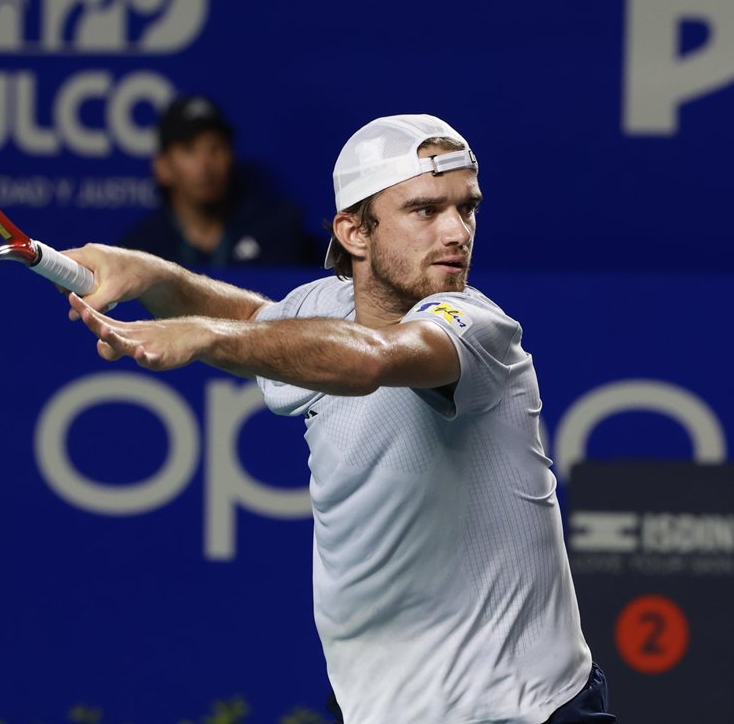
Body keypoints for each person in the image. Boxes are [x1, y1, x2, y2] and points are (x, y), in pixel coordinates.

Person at [62, 114, 613, 723]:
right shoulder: (326, 307)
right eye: (426, 210)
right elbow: (259, 321)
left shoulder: (477, 329)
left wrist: (201, 336)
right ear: (353, 232)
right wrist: (153, 275)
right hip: (381, 707)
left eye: (467, 208)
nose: (458, 232)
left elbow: (371, 359)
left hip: (521, 710)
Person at [119, 94, 323, 267]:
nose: (205, 166)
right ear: (162, 168)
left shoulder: (277, 231)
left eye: (215, 148)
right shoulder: (140, 251)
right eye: (189, 151)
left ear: (231, 157)